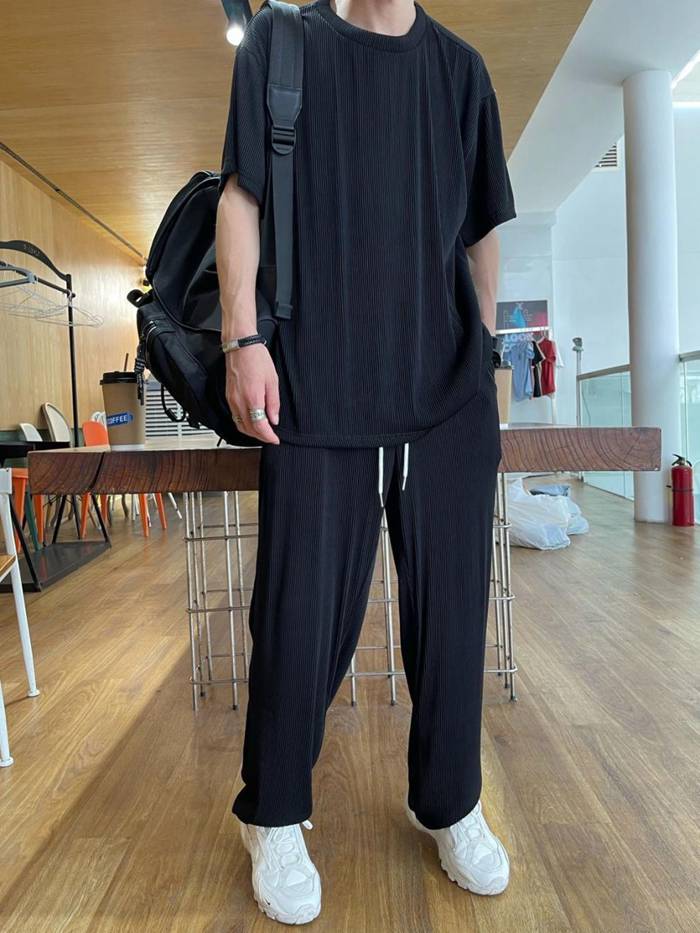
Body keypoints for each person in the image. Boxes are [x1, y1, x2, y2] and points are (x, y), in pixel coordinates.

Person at [216, 0, 517, 924]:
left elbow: (483, 230)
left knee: (454, 614)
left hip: (446, 398)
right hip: (315, 388)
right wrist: (241, 339)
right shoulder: (282, 45)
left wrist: (484, 353)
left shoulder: (460, 71)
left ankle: (451, 800)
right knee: (297, 617)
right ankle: (273, 813)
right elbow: (241, 197)